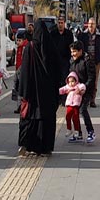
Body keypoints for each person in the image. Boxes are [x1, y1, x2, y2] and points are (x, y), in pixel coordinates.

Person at [18, 20, 61, 156]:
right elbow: (59, 70)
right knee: (47, 119)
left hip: (32, 93)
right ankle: (46, 148)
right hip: (48, 93)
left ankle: (30, 145)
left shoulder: (29, 48)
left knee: (30, 118)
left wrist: (23, 92)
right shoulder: (51, 47)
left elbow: (24, 72)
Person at [69, 41, 96, 143]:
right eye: (71, 52)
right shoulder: (72, 60)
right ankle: (78, 133)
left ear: (80, 51)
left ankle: (91, 132)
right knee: (73, 111)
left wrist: (84, 87)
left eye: (74, 52)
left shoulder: (87, 60)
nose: (73, 54)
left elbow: (92, 77)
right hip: (75, 91)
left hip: (86, 90)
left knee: (82, 109)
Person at [78, 18, 100, 107]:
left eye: (93, 24)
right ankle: (85, 99)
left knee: (94, 81)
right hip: (85, 62)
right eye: (90, 24)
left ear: (95, 25)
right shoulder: (83, 35)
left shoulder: (99, 35)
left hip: (96, 62)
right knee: (85, 80)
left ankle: (92, 100)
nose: (91, 25)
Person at [50, 16, 74, 104]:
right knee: (56, 79)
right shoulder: (53, 33)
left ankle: (64, 98)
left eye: (62, 23)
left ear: (64, 23)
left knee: (64, 79)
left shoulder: (69, 34)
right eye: (59, 23)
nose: (60, 24)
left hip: (65, 60)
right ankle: (57, 97)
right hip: (55, 60)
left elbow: (71, 46)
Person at [59, 72, 86, 139]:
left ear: (76, 80)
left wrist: (80, 90)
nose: (71, 83)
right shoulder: (67, 87)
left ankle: (76, 131)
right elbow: (62, 90)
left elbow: (83, 86)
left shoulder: (78, 86)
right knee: (68, 117)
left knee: (75, 118)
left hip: (76, 105)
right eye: (70, 81)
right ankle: (69, 129)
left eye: (73, 81)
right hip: (69, 105)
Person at [13, 29, 28, 114]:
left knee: (21, 88)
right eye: (17, 40)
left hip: (22, 70)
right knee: (17, 87)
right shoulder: (19, 48)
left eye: (19, 40)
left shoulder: (25, 48)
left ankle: (21, 105)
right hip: (18, 70)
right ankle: (19, 105)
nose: (18, 42)